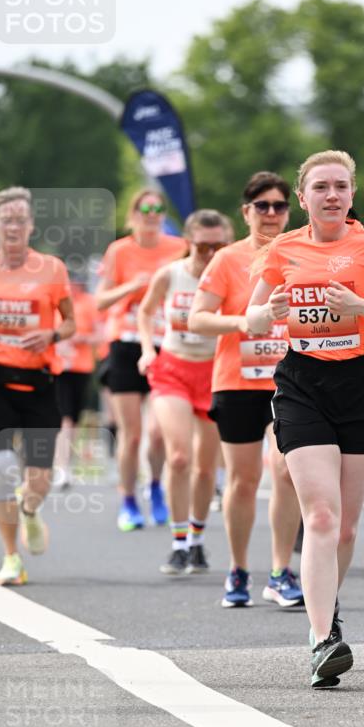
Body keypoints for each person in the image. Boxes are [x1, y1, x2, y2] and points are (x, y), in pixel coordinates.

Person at [247, 150, 364, 688]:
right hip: (301, 383)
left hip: (359, 386)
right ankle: (324, 639)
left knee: (345, 527)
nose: (332, 195)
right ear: (303, 199)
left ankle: (324, 613)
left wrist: (361, 307)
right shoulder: (283, 248)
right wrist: (269, 313)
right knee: (321, 517)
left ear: (352, 195)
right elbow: (252, 318)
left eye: (341, 187)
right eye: (321, 187)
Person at [188, 172, 303, 609]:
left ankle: (279, 571)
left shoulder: (303, 254)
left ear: (289, 212)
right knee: (243, 480)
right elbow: (197, 318)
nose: (271, 213)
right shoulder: (226, 259)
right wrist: (245, 322)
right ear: (246, 212)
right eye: (262, 206)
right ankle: (237, 570)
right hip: (237, 382)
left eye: (279, 206)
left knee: (287, 470)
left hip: (289, 381)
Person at [0, 187, 75, 585]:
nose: (13, 226)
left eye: (20, 220)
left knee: (39, 480)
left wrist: (50, 335)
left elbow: (70, 322)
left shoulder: (52, 269)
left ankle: (29, 510)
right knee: (1, 470)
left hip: (40, 383)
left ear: (31, 226)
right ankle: (11, 557)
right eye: (6, 220)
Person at [138, 210, 230, 575]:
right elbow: (145, 312)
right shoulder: (171, 274)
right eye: (203, 246)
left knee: (206, 468)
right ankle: (178, 543)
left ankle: (196, 539)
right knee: (178, 458)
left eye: (218, 246)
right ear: (189, 243)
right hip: (172, 370)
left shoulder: (230, 276)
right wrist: (148, 350)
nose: (210, 254)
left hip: (214, 373)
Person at [95, 189, 185, 531]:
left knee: (158, 433)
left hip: (166, 344)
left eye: (158, 208)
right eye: (145, 208)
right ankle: (129, 500)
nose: (152, 213)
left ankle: (156, 487)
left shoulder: (178, 248)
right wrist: (131, 286)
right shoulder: (119, 251)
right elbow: (100, 301)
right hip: (126, 344)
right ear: (133, 214)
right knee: (131, 435)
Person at [53, 276, 103, 489]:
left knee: (73, 419)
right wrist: (58, 342)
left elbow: (100, 334)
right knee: (63, 418)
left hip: (82, 368)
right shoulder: (54, 301)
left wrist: (81, 338)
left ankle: (64, 464)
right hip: (58, 368)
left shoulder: (89, 303)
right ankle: (60, 467)